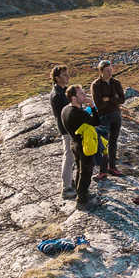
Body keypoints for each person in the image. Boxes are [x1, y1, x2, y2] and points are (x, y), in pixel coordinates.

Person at [60, 85, 97, 210]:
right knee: (86, 171)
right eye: (81, 94)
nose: (85, 95)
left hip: (74, 143)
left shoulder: (65, 110)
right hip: (83, 145)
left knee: (80, 169)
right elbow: (97, 121)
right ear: (74, 98)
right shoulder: (79, 113)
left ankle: (81, 193)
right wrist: (92, 106)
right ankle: (82, 200)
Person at [91, 59, 126, 179]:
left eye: (111, 70)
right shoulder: (96, 85)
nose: (110, 72)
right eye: (107, 70)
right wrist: (113, 98)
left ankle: (112, 167)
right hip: (104, 117)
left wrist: (108, 99)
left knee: (113, 142)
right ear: (101, 71)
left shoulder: (116, 83)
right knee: (103, 144)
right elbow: (99, 104)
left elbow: (122, 99)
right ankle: (102, 171)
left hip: (116, 115)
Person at [49, 65, 75, 200]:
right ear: (57, 78)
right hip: (67, 130)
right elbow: (63, 115)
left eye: (67, 74)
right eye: (65, 75)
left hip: (71, 128)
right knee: (69, 156)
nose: (68, 77)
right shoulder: (57, 95)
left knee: (73, 157)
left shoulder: (64, 90)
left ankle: (70, 181)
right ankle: (66, 188)